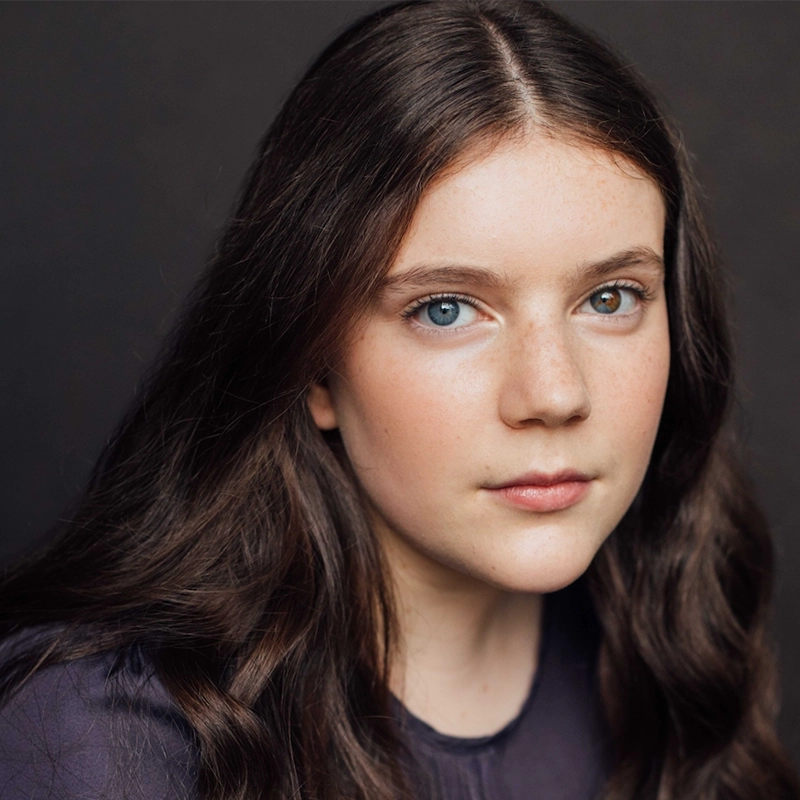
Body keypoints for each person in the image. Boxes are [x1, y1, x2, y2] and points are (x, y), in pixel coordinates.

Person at [0, 1, 797, 798]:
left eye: (611, 298)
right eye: (445, 310)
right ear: (314, 366)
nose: (555, 392)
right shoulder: (99, 736)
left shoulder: (676, 651)